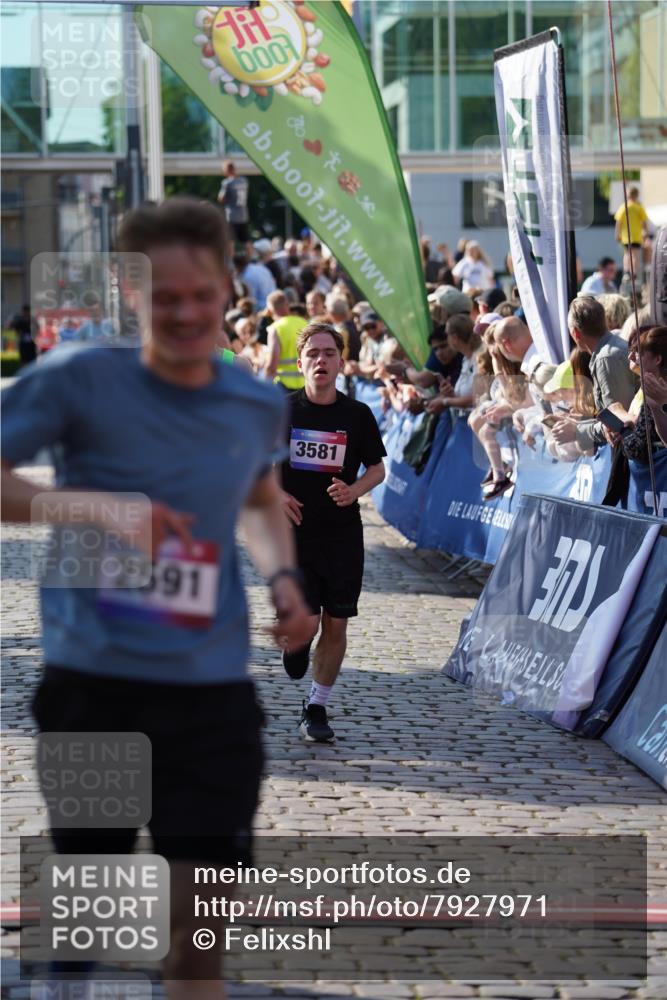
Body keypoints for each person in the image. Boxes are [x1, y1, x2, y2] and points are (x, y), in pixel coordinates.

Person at [1, 198, 312, 1000]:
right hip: (93, 688)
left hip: (210, 693)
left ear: (227, 290)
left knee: (198, 932)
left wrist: (282, 580)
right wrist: (97, 507)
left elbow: (255, 498)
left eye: (201, 295)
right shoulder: (78, 379)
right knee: (101, 922)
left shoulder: (252, 400)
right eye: (163, 296)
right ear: (127, 289)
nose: (184, 313)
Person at [279, 323, 386, 742]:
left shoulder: (357, 415)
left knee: (336, 623)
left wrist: (355, 489)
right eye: (313, 353)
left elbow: (376, 468)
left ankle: (317, 706)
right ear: (300, 361)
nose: (320, 360)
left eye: (328, 353)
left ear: (341, 362)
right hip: (294, 534)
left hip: (342, 534)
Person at [551, 296, 637, 455]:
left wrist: (577, 431)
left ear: (575, 333)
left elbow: (619, 425)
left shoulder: (607, 358)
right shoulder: (607, 352)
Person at [264, 289, 307, 389]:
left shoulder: (276, 328)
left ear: (270, 311)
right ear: (287, 305)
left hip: (283, 387)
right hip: (305, 385)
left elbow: (271, 365)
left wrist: (264, 387)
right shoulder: (304, 323)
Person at [614, 187, 651, 287]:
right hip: (636, 236)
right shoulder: (639, 207)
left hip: (626, 236)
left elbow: (618, 222)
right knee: (634, 255)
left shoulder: (623, 207)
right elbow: (644, 222)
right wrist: (646, 234)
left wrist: (617, 234)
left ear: (627, 195)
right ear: (637, 196)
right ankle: (633, 273)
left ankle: (626, 272)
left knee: (627, 254)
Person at [217, 159, 250, 250]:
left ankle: (229, 260)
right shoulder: (244, 180)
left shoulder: (227, 182)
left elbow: (221, 198)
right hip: (243, 215)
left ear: (227, 170)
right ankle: (250, 258)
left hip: (232, 215)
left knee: (230, 240)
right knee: (246, 240)